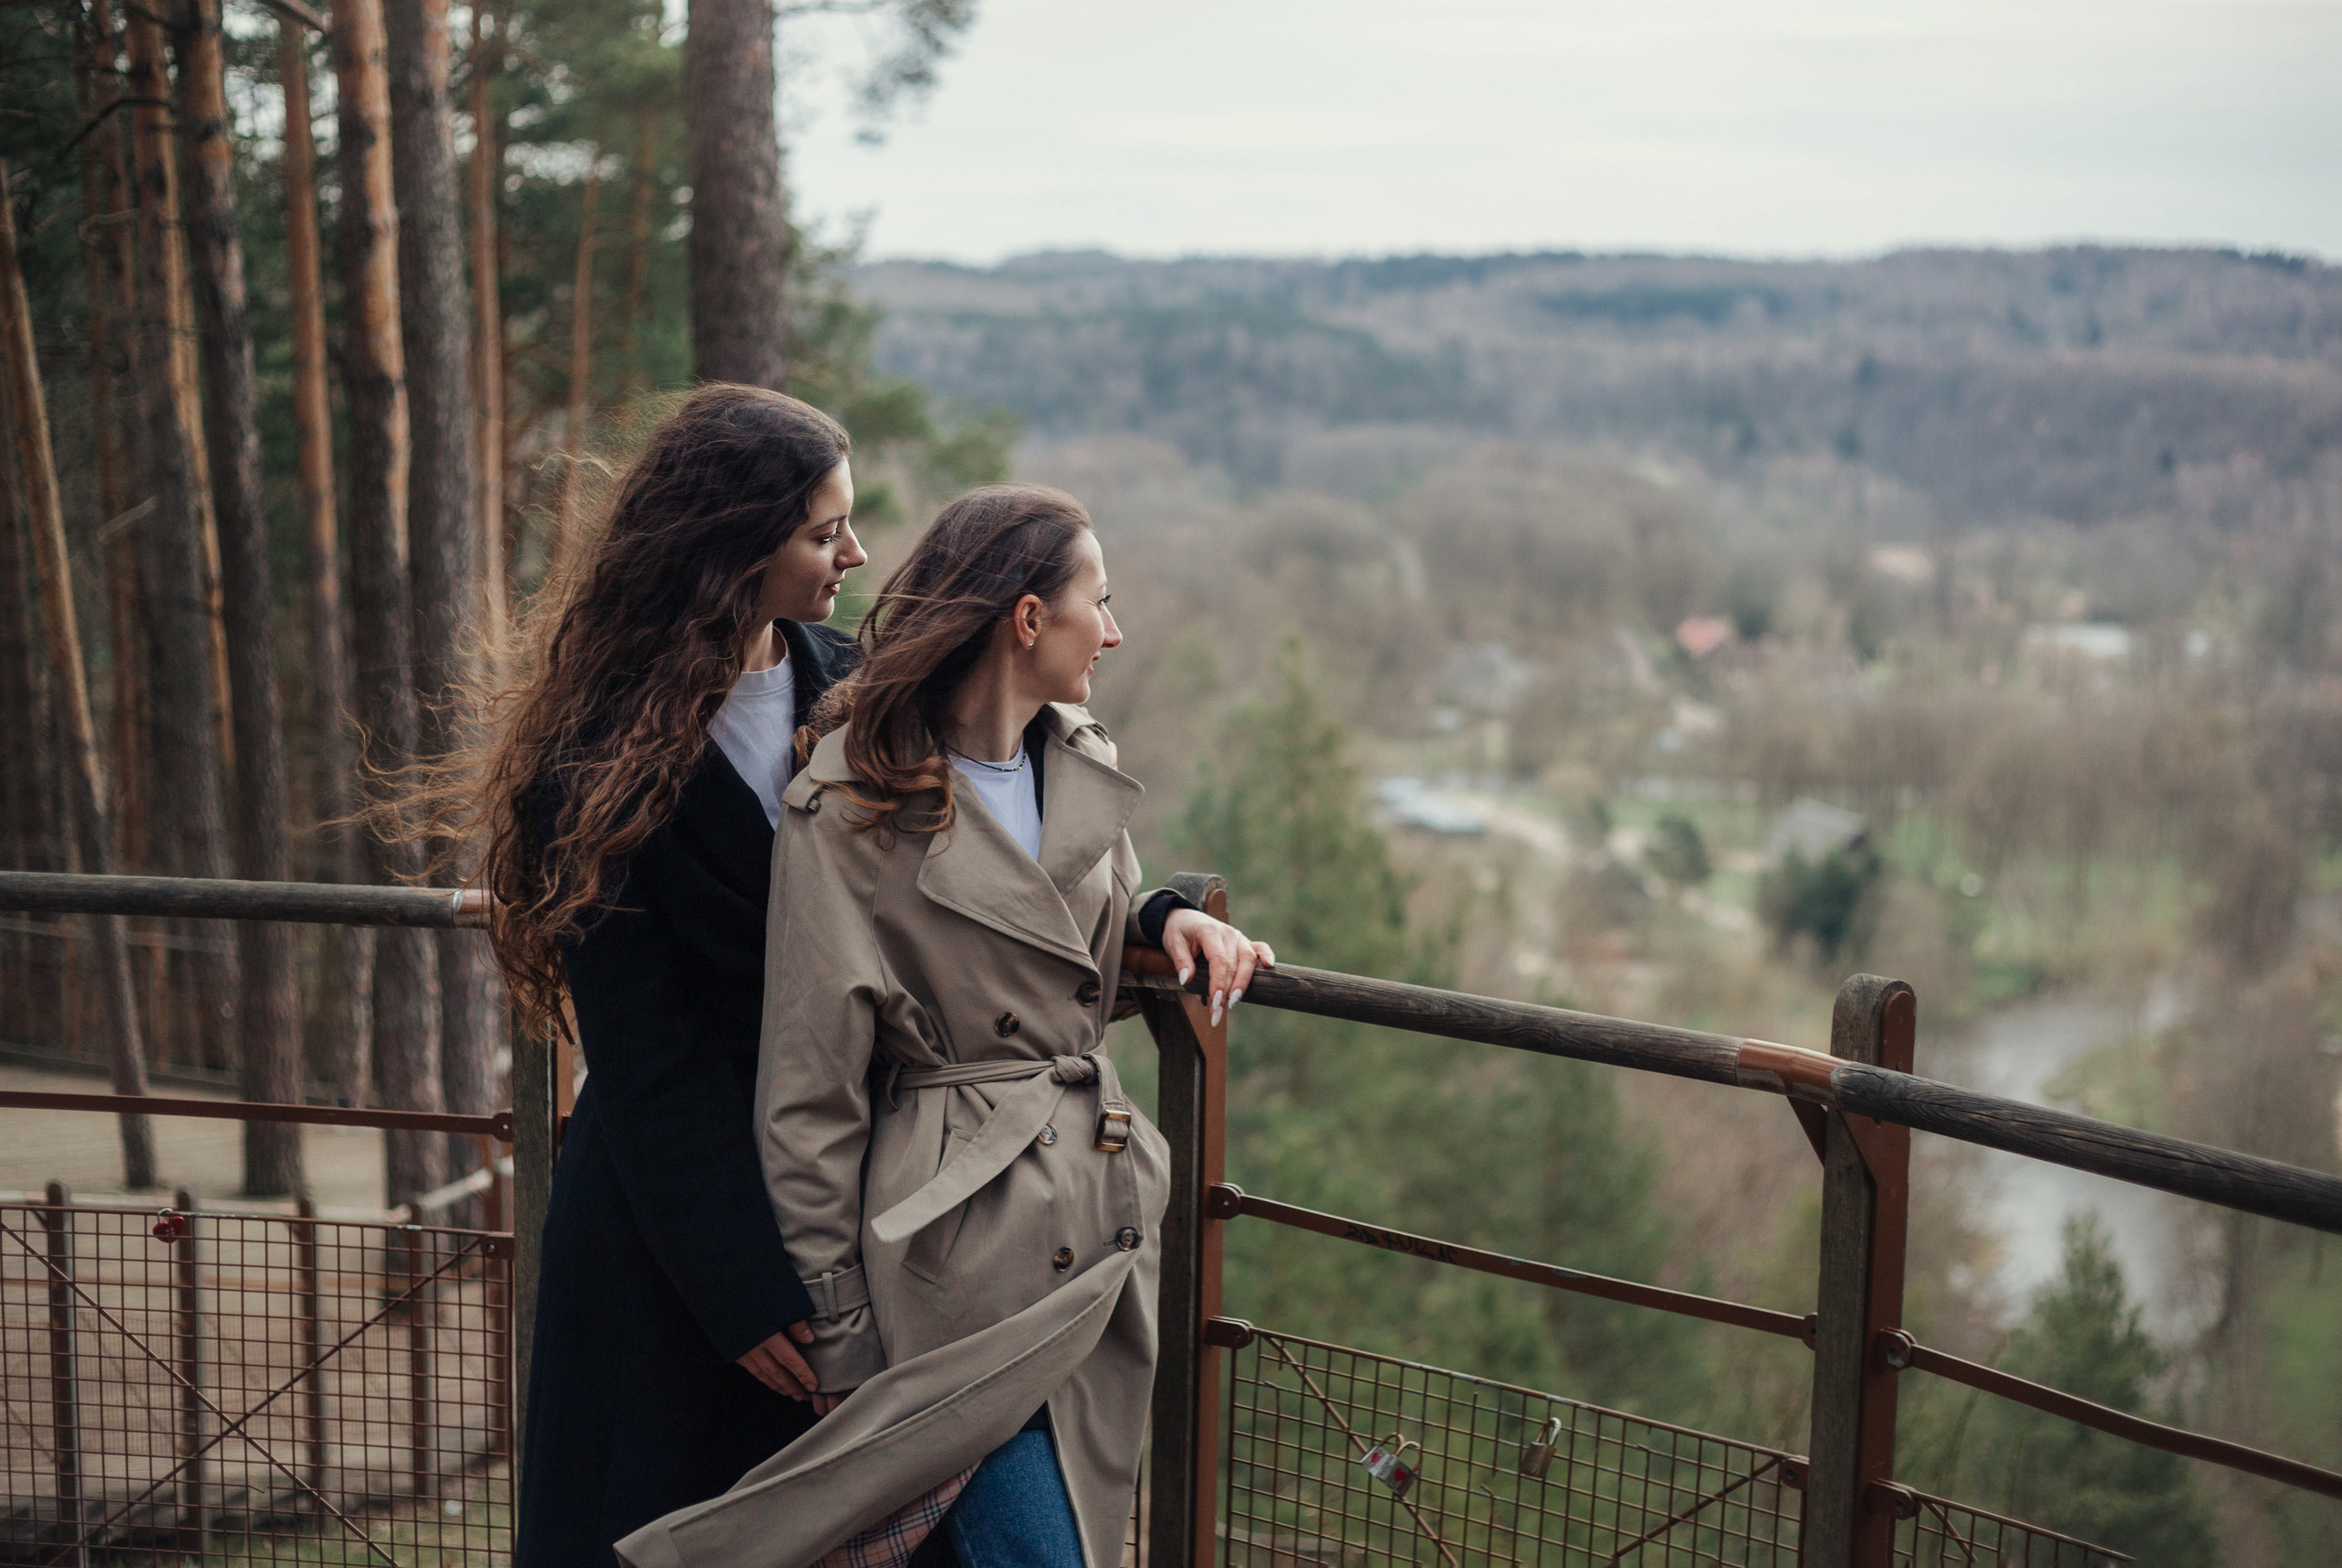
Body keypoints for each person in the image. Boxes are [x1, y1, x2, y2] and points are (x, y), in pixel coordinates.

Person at [615, 485, 1273, 1568]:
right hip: (957, 1247)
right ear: (1025, 618)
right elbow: (810, 1092)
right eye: (1097, 604)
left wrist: (1170, 915)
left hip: (1099, 1218)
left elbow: (1076, 945)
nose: (1111, 631)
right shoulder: (851, 807)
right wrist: (836, 1326)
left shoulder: (1082, 759)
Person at [465, 385, 871, 1566]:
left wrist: (1156, 914)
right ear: (730, 542)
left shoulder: (861, 683)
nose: (854, 552)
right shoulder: (589, 756)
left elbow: (1006, 839)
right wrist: (739, 1285)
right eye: (821, 531)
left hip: (840, 1189)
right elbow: (646, 1049)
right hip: (673, 1230)